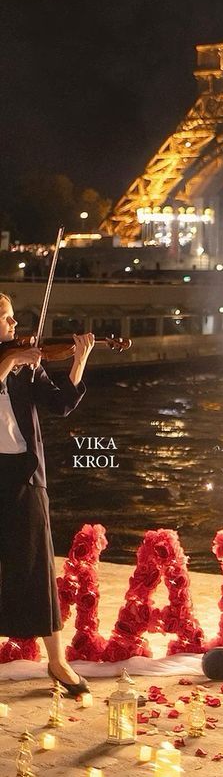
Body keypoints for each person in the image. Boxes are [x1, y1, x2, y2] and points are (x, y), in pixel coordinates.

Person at [0, 293, 94, 696]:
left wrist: (78, 360)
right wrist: (6, 363)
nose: (12, 326)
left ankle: (56, 662)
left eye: (11, 318)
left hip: (24, 475)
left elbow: (60, 405)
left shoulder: (25, 366)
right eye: (4, 319)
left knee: (38, 566)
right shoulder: (12, 363)